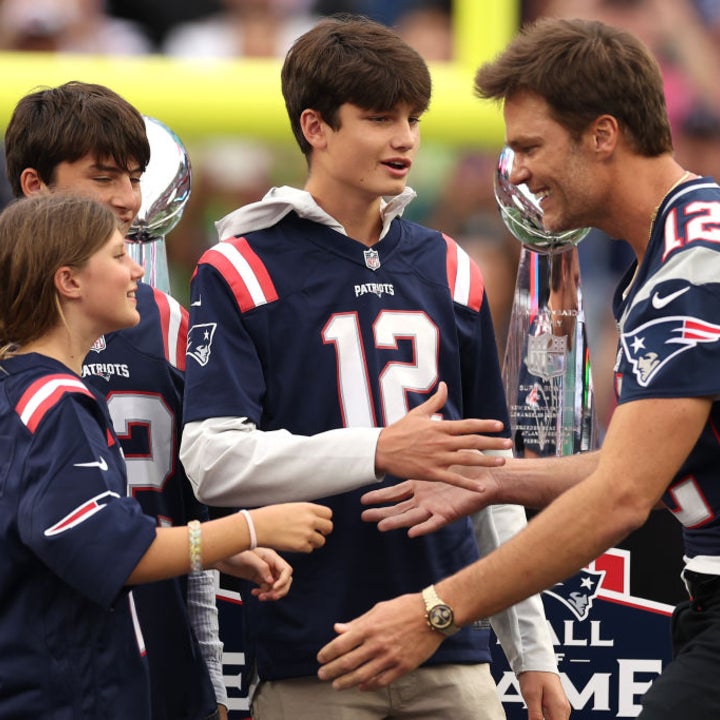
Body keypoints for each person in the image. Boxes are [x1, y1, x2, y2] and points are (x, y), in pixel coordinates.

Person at [315, 16, 720, 720]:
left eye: (530, 147)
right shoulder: (685, 239)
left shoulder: (690, 269)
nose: (520, 171)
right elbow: (646, 463)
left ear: (603, 135)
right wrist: (495, 480)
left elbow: (624, 495)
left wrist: (435, 611)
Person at [180, 14, 569, 720]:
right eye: (380, 117)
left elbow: (489, 473)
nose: (406, 139)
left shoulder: (450, 265)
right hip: (315, 656)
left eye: (414, 118)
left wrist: (532, 650)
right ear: (315, 127)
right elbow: (209, 460)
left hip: (447, 642)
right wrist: (381, 449)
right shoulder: (238, 266)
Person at [3, 80, 294, 720]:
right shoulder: (35, 375)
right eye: (104, 176)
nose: (129, 199)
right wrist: (247, 528)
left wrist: (212, 681)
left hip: (151, 657)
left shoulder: (166, 323)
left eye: (134, 177)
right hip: (51, 661)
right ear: (34, 187)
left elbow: (183, 510)